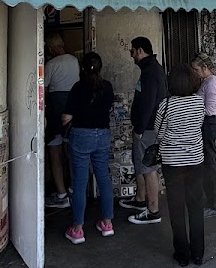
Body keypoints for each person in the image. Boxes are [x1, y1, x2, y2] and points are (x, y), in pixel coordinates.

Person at [156, 65, 207, 266]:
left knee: (176, 208)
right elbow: (199, 125)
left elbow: (159, 133)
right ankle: (198, 253)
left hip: (172, 162)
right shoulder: (199, 102)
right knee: (196, 206)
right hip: (195, 160)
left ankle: (182, 254)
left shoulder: (166, 105)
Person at [62, 52, 115, 245]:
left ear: (82, 68)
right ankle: (107, 224)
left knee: (80, 182)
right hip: (103, 136)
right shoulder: (107, 86)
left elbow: (66, 117)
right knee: (103, 179)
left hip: (81, 136)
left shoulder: (78, 87)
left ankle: (78, 229)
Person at [124, 36, 165, 225]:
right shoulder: (151, 68)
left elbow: (148, 102)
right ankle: (141, 199)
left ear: (140, 50)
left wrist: (140, 128)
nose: (131, 55)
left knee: (148, 168)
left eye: (132, 51)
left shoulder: (150, 71)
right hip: (148, 126)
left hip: (147, 128)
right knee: (141, 165)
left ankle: (153, 210)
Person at [44, 33, 79, 209]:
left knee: (54, 151)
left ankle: (61, 194)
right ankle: (74, 189)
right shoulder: (74, 60)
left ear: (51, 48)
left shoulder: (51, 64)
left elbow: (42, 87)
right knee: (72, 152)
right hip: (73, 109)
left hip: (55, 110)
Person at [190, 53, 216, 218]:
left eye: (196, 69)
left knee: (209, 164)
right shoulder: (207, 82)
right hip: (205, 124)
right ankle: (211, 199)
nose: (195, 73)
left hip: (207, 124)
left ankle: (214, 203)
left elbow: (209, 110)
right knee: (206, 164)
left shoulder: (211, 84)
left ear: (204, 67)